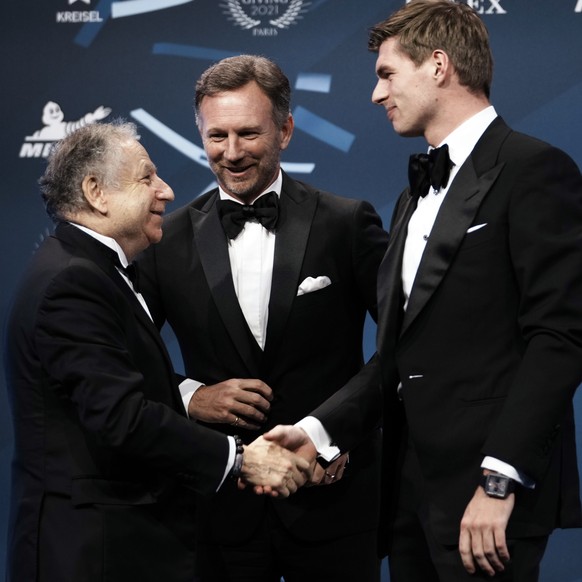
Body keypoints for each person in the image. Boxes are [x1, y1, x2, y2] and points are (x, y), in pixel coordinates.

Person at [2, 121, 311, 582]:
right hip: (93, 551)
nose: (166, 191)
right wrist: (241, 459)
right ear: (96, 192)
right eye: (147, 177)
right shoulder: (74, 280)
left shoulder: (91, 270)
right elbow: (122, 417)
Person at [137, 55, 389, 582]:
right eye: (217, 136)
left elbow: (401, 345)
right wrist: (190, 395)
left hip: (332, 498)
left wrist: (334, 435)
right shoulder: (166, 240)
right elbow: (127, 358)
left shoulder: (347, 223)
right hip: (219, 509)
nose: (231, 153)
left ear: (286, 130)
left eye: (248, 134)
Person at [367, 1, 582, 580]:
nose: (376, 94)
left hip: (489, 502)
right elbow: (397, 354)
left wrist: (499, 478)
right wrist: (316, 432)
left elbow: (560, 335)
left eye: (387, 74)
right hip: (412, 497)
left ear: (438, 66)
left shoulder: (535, 168)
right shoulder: (411, 197)